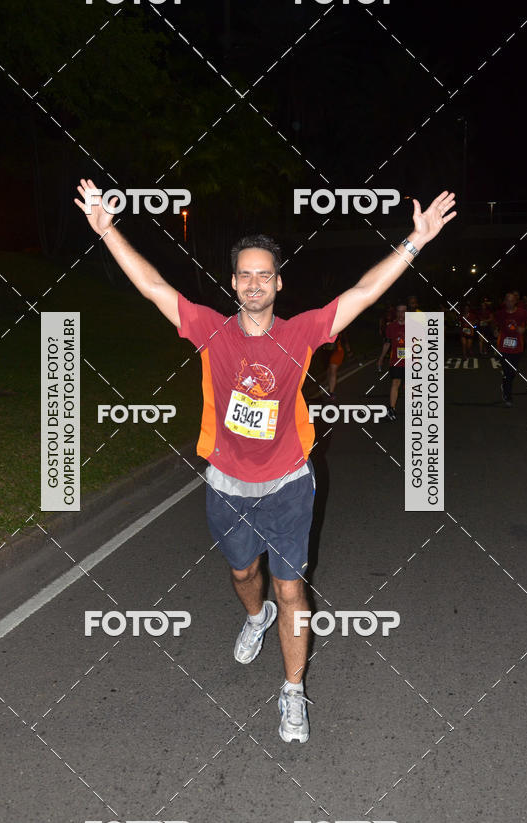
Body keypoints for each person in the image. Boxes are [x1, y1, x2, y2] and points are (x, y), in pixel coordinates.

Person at [75, 178, 456, 742]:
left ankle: (293, 692)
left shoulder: (300, 334)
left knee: (291, 588)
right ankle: (255, 618)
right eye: (244, 274)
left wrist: (415, 242)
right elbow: (153, 286)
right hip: (227, 482)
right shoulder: (211, 331)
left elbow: (363, 293)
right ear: (234, 284)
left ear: (279, 282)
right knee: (241, 573)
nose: (254, 283)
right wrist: (108, 231)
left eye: (264, 274)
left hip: (288, 484)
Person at [493, 291, 527, 406]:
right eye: (507, 300)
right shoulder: (500, 313)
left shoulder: (522, 313)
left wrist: (525, 328)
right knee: (507, 372)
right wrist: (495, 330)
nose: (509, 303)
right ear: (504, 301)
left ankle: (505, 384)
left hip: (517, 348)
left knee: (512, 373)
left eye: (512, 301)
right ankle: (508, 396)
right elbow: (495, 323)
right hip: (503, 347)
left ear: (515, 301)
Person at [380, 304, 407, 421]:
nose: (401, 314)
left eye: (403, 312)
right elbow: (387, 343)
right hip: (396, 361)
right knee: (395, 383)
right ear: (396, 313)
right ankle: (392, 409)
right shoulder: (391, 327)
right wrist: (381, 358)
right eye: (399, 312)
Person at [326, 329, 352, 399]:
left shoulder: (340, 327)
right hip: (327, 351)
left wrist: (348, 350)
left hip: (337, 351)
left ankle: (331, 392)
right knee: (329, 371)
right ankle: (331, 388)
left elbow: (345, 339)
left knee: (333, 372)